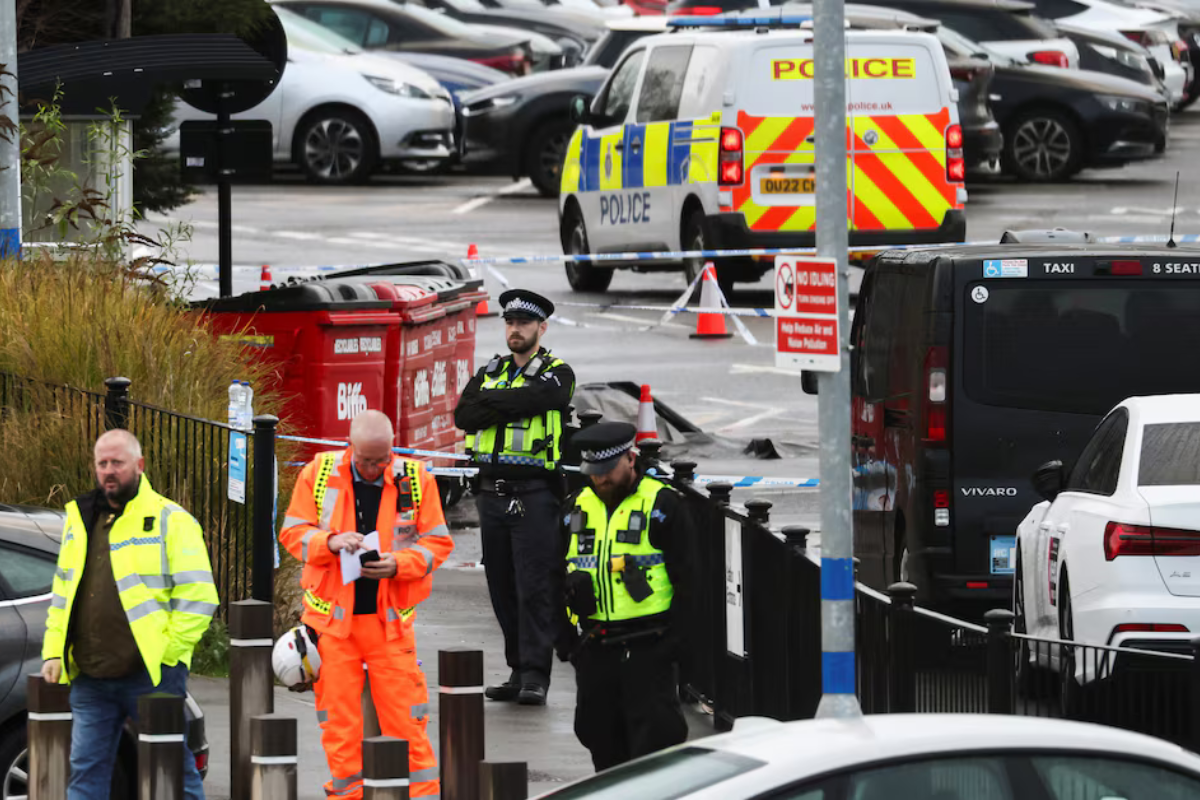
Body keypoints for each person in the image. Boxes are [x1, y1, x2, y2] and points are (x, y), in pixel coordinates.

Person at [280, 410, 453, 800]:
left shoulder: (416, 479)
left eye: (382, 459)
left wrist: (398, 564)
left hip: (389, 626)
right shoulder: (319, 473)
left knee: (407, 724)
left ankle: (421, 795)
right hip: (332, 628)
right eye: (366, 460)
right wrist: (331, 543)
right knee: (341, 729)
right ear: (349, 446)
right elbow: (292, 532)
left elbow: (438, 543)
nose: (374, 468)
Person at [42, 429, 217, 800]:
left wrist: (168, 654)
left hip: (151, 675)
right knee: (85, 773)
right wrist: (53, 652)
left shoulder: (171, 519)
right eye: (102, 463)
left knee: (173, 773)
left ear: (138, 465)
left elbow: (199, 595)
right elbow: (63, 591)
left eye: (117, 463)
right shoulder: (81, 518)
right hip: (90, 675)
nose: (109, 471)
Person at [454, 288, 576, 706]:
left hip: (535, 494)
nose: (515, 329)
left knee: (535, 587)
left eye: (524, 323)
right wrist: (509, 403)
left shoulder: (558, 372)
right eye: (509, 322)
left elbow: (548, 398)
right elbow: (463, 415)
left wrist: (494, 403)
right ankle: (516, 668)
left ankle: (536, 676)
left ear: (541, 327)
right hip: (491, 494)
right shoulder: (490, 370)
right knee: (502, 587)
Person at [559, 421, 689, 772]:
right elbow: (554, 575)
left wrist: (672, 648)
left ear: (630, 459)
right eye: (593, 472)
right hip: (595, 648)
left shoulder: (662, 505)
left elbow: (692, 584)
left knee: (655, 752)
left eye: (607, 471)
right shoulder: (576, 506)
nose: (600, 480)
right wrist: (567, 644)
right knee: (600, 740)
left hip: (649, 648)